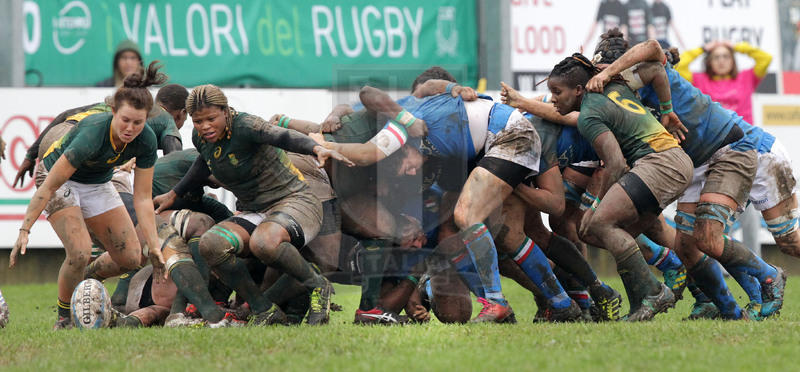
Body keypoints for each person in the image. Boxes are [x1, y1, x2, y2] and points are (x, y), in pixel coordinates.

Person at [587, 34, 787, 320]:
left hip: (730, 147)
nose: (605, 78)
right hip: (692, 162)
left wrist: (609, 72)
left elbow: (653, 48)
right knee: (686, 246)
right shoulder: (620, 95)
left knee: (716, 238)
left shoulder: (646, 70)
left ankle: (768, 279)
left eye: (608, 69)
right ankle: (727, 310)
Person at [153, 84, 353, 326]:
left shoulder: (246, 125)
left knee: (264, 243)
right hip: (255, 210)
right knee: (211, 244)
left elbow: (282, 136)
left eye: (211, 119)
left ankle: (318, 285)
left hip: (295, 200)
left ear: (226, 112)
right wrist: (173, 194)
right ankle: (264, 309)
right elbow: (205, 162)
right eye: (197, 121)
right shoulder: (202, 137)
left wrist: (317, 147)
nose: (204, 126)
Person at [9, 62, 168, 330]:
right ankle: (63, 319)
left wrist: (153, 244)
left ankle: (87, 277)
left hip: (97, 182)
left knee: (132, 258)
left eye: (138, 123)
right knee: (80, 251)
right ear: (113, 111)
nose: (130, 128)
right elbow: (48, 187)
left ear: (146, 120)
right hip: (57, 179)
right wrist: (25, 229)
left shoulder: (147, 140)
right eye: (125, 120)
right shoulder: (93, 131)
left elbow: (142, 198)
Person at [548, 52, 691, 321]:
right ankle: (642, 303)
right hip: (675, 161)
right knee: (591, 232)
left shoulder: (587, 115)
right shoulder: (613, 84)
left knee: (598, 223)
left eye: (557, 91)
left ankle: (653, 292)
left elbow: (616, 164)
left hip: (660, 164)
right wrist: (667, 109)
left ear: (578, 89)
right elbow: (654, 68)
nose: (553, 98)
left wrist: (595, 205)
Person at [675, 40, 772, 125]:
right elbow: (679, 65)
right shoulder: (698, 79)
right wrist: (703, 49)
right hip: (712, 138)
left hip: (744, 137)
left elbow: (766, 59)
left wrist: (736, 47)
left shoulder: (747, 77)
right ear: (709, 61)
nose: (721, 61)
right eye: (716, 57)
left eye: (726, 56)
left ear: (732, 60)